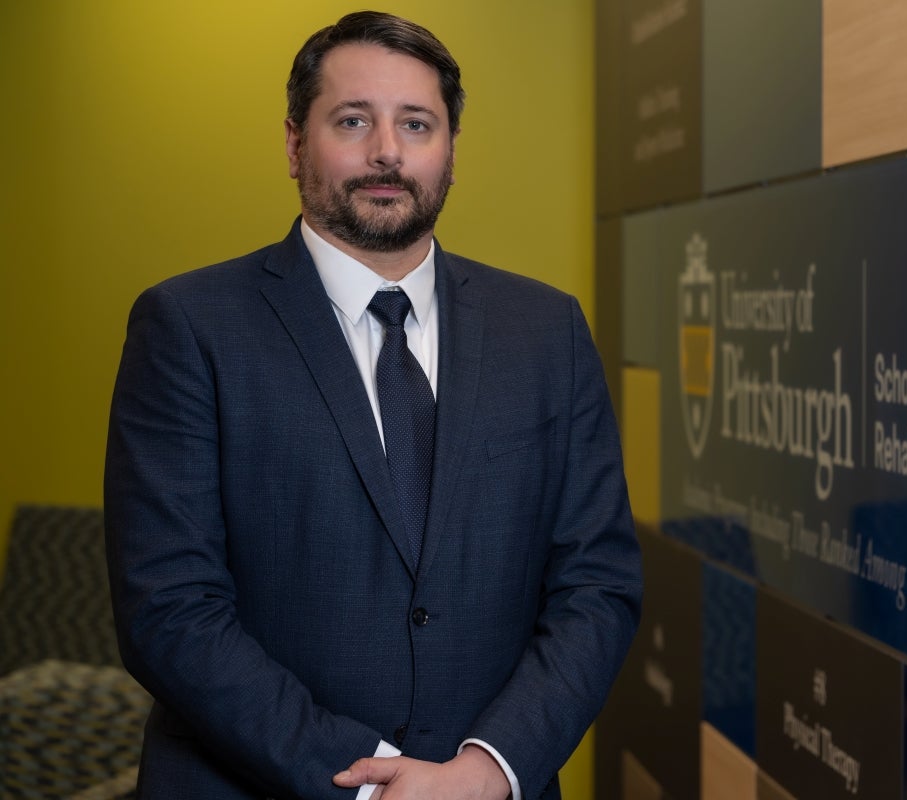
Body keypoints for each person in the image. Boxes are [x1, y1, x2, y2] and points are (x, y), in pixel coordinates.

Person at [104, 11, 642, 800]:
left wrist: (487, 769)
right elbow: (169, 612)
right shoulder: (188, 327)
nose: (387, 150)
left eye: (416, 124)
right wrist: (369, 785)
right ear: (294, 144)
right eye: (353, 120)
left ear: (451, 152)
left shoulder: (546, 331)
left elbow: (597, 585)